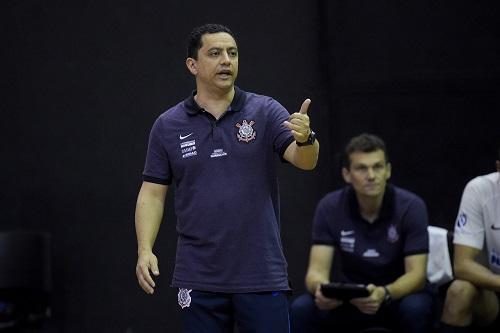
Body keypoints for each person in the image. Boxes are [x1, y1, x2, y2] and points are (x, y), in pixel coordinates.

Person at [134, 23, 319, 333]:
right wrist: (144, 249)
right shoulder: (168, 125)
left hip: (260, 273)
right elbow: (152, 194)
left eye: (232, 54)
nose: (226, 61)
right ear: (192, 65)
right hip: (198, 275)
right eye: (215, 53)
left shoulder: (265, 110)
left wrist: (306, 138)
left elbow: (305, 161)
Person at [290, 133, 435, 333]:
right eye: (361, 168)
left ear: (388, 171)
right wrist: (322, 290)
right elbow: (315, 272)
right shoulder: (330, 207)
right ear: (346, 174)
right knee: (302, 309)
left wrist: (384, 293)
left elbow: (417, 275)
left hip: (395, 295)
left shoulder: (411, 206)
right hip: (350, 297)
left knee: (416, 308)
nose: (371, 175)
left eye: (377, 167)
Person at [439, 147, 500, 333]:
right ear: (499, 167)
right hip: (492, 292)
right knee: (459, 291)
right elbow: (462, 265)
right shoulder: (479, 190)